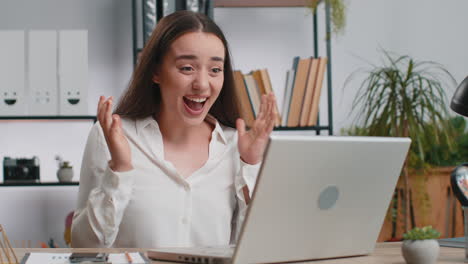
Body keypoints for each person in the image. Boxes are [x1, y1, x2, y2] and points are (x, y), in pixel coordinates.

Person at [71, 10, 276, 248]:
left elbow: (256, 249)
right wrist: (120, 169)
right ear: (156, 71)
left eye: (215, 70)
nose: (202, 84)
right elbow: (83, 249)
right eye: (187, 68)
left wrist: (251, 165)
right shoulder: (112, 136)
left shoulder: (238, 146)